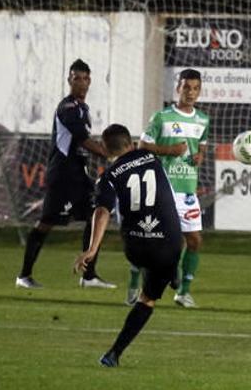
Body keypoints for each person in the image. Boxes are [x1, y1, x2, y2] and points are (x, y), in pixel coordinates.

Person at [74, 124, 183, 367]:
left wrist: (91, 250)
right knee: (149, 296)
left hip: (136, 247)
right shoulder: (151, 157)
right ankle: (171, 275)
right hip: (168, 245)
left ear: (104, 148)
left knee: (147, 262)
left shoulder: (109, 176)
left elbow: (102, 212)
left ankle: (114, 354)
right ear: (130, 144)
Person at [16, 59, 115, 289]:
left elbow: (84, 143)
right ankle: (24, 275)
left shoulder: (83, 109)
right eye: (75, 78)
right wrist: (109, 154)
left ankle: (88, 275)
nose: (80, 82)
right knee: (45, 223)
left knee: (97, 213)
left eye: (84, 78)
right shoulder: (68, 107)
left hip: (78, 175)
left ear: (90, 80)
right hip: (63, 176)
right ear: (69, 80)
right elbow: (83, 140)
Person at [132, 68, 209, 308]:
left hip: (187, 191)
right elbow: (142, 145)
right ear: (178, 88)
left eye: (195, 88)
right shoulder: (161, 117)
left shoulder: (202, 119)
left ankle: (183, 292)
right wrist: (169, 151)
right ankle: (134, 286)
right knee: (153, 241)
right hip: (162, 189)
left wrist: (198, 158)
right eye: (186, 87)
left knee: (195, 241)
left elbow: (201, 147)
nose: (191, 92)